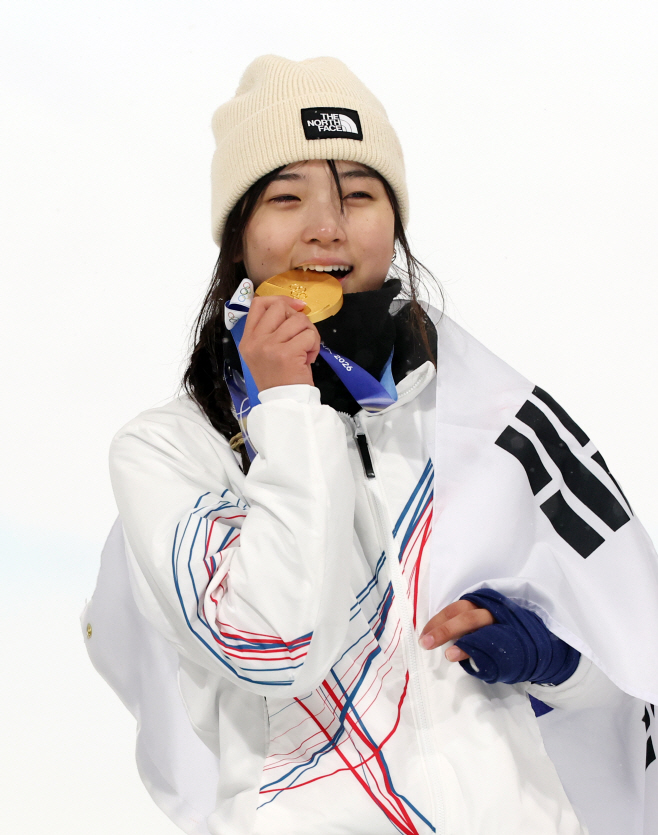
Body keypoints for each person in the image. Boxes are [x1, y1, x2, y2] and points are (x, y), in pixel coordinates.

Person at [85, 56, 658, 835]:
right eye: (287, 197)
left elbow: (629, 666)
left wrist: (559, 662)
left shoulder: (483, 420)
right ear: (238, 237)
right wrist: (288, 405)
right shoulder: (168, 451)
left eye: (358, 194)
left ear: (394, 224)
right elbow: (274, 644)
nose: (327, 226)